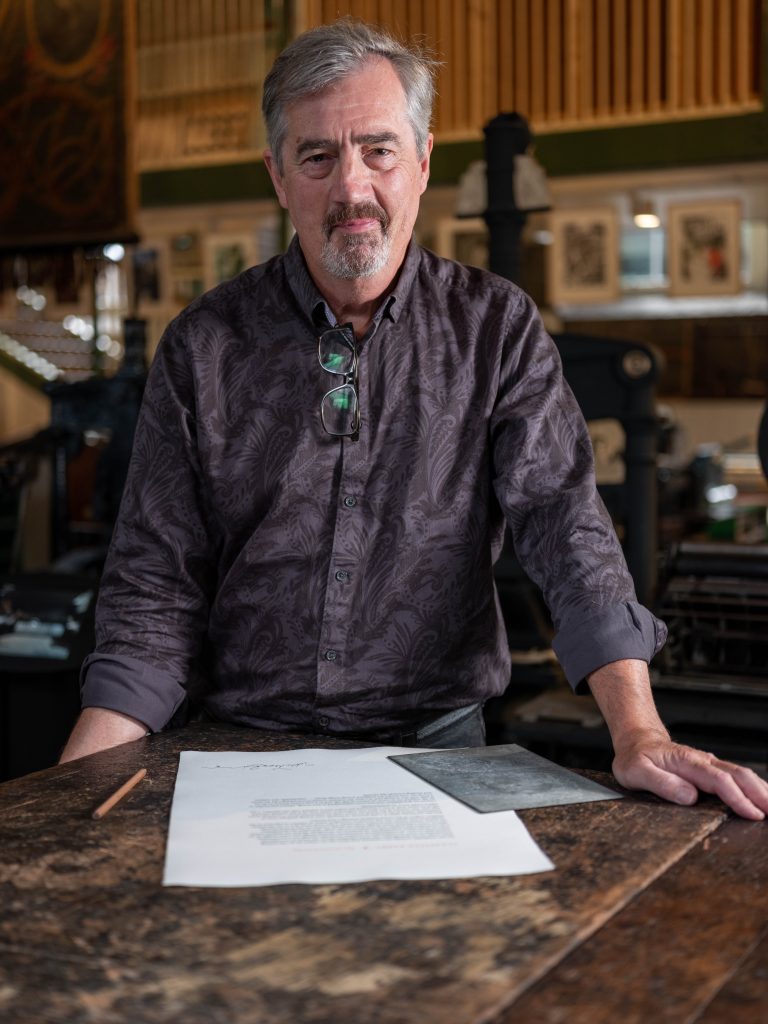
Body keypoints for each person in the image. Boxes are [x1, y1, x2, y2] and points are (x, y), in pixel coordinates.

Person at [60, 19, 768, 821]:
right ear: (278, 176)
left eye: (378, 149)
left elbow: (564, 524)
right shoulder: (203, 344)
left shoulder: (495, 328)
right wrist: (77, 784)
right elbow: (155, 579)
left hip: (441, 750)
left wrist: (638, 731)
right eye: (317, 156)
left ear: (424, 162)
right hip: (238, 752)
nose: (351, 188)